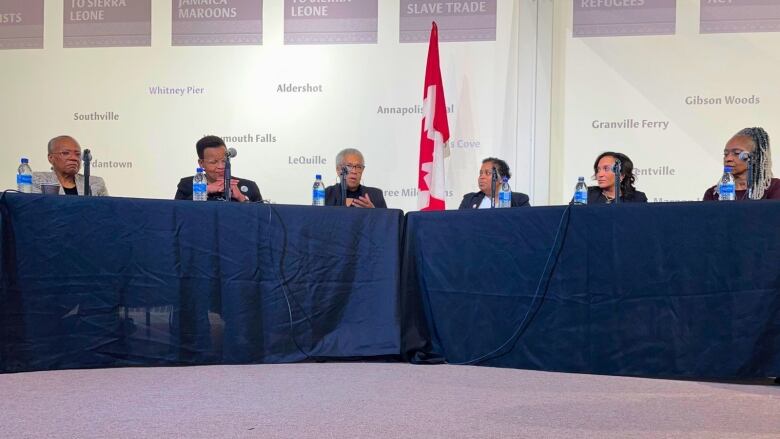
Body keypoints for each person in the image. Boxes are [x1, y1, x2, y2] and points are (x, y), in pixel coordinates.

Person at [175, 135, 262, 202]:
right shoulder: (187, 185)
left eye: (224, 161)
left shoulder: (249, 186)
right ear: (201, 163)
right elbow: (175, 214)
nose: (221, 166)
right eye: (213, 162)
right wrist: (205, 190)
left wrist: (242, 198)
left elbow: (262, 219)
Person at [703, 127, 780, 201]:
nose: (728, 159)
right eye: (726, 154)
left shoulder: (775, 188)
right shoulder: (713, 194)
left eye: (736, 153)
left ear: (755, 157)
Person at [32, 135, 109, 196]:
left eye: (78, 154)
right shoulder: (38, 180)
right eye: (65, 153)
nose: (74, 158)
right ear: (50, 158)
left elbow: (108, 213)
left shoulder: (95, 183)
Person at [459, 157, 530, 209]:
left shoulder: (519, 201)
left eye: (488, 173)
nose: (482, 177)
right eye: (481, 173)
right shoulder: (469, 200)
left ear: (502, 178)